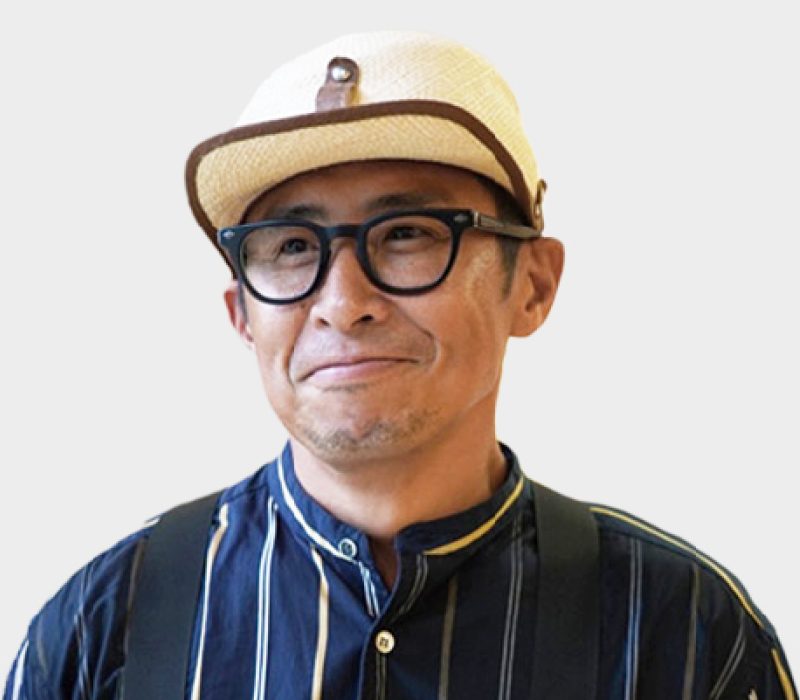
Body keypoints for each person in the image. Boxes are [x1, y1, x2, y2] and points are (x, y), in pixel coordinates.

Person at [4, 30, 796, 700]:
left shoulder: (682, 630)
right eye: (292, 246)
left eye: (408, 233)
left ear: (534, 285)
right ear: (241, 313)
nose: (343, 302)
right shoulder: (107, 628)